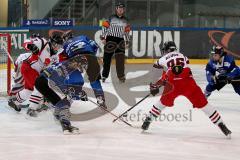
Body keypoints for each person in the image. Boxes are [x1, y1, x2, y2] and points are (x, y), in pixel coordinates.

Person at [141, 41, 232, 138]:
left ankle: (147, 121)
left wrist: (154, 86)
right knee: (204, 105)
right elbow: (182, 67)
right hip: (188, 83)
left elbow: (160, 72)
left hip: (172, 84)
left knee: (162, 103)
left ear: (166, 50)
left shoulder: (162, 59)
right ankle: (222, 125)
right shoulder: (183, 56)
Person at [35, 33, 106, 134]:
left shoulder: (67, 60)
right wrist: (78, 94)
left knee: (62, 99)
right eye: (83, 65)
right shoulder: (74, 70)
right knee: (68, 99)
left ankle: (57, 113)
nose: (83, 68)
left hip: (40, 80)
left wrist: (77, 93)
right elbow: (69, 88)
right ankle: (65, 123)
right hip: (48, 81)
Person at [8, 34, 61, 116]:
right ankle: (31, 109)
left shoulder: (55, 57)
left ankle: (14, 101)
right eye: (55, 44)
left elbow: (54, 69)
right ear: (51, 42)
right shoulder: (43, 42)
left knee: (29, 90)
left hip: (34, 72)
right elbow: (26, 42)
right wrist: (31, 46)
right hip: (29, 67)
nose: (56, 47)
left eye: (59, 45)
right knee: (40, 88)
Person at [100, 2, 131, 83]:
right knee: (107, 58)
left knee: (120, 59)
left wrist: (127, 41)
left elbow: (127, 31)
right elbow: (104, 26)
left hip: (120, 40)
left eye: (122, 8)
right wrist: (103, 37)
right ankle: (104, 75)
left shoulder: (126, 20)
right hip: (110, 39)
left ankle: (121, 76)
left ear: (123, 10)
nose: (120, 10)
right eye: (119, 8)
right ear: (116, 9)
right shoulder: (111, 17)